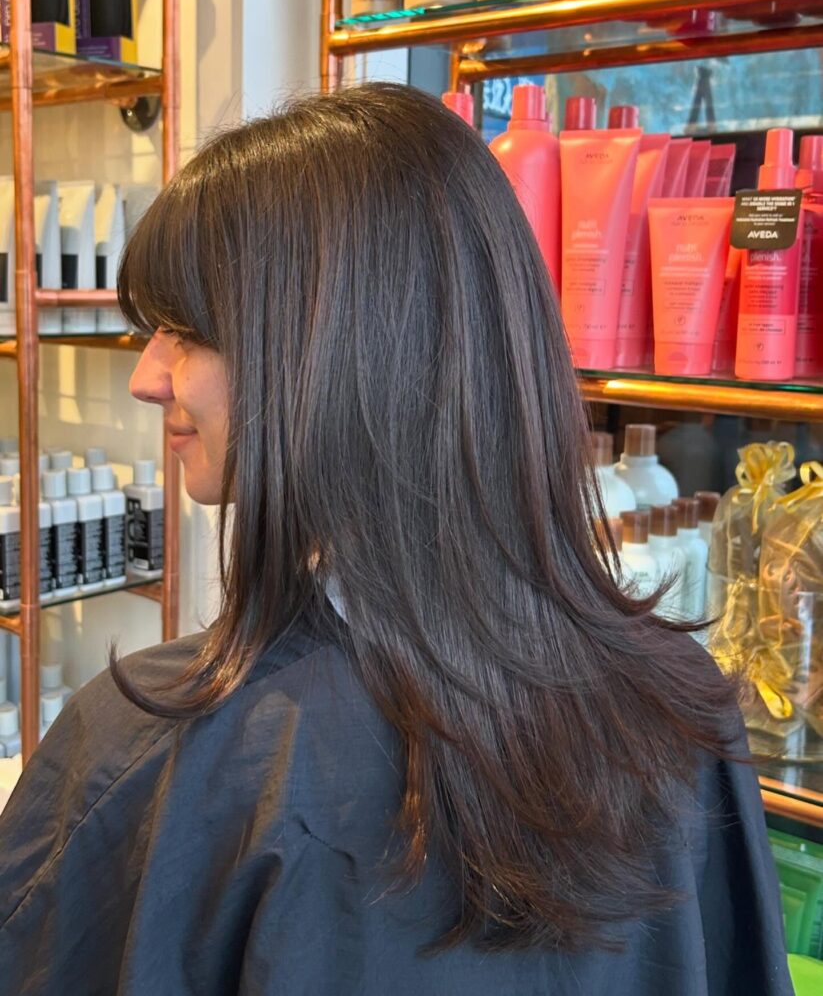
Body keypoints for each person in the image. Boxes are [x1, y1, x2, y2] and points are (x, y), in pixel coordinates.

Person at [0, 83, 791, 995]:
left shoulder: (154, 752)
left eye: (186, 330)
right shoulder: (678, 706)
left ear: (337, 353)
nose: (147, 377)